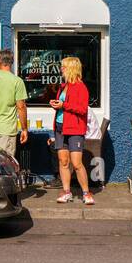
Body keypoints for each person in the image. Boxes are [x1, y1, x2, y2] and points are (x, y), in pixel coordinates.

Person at [49, 56, 94, 205]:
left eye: (63, 66)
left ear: (71, 68)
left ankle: (86, 193)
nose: (61, 69)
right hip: (61, 127)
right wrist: (55, 104)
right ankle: (67, 192)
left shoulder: (81, 87)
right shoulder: (64, 86)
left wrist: (64, 105)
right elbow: (64, 105)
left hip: (75, 129)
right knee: (63, 161)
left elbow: (82, 109)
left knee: (76, 163)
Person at [0, 48, 29, 158]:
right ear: (12, 61)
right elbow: (21, 107)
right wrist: (24, 129)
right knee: (6, 165)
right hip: (7, 130)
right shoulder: (17, 81)